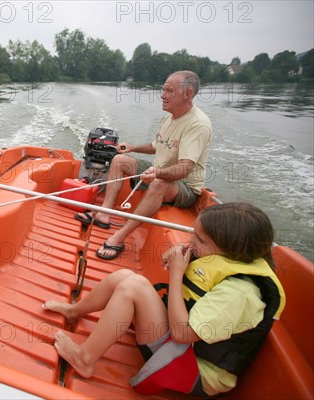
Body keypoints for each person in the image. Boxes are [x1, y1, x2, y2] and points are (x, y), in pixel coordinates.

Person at [43, 202, 286, 396]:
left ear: (233, 251)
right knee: (125, 275)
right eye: (194, 235)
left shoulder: (240, 294)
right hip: (183, 344)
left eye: (200, 241)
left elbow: (182, 334)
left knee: (132, 286)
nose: (191, 243)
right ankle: (75, 311)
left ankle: (85, 359)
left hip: (193, 368)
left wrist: (178, 272)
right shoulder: (228, 261)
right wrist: (186, 258)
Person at [75, 70, 212, 260]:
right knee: (119, 160)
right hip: (160, 171)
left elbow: (185, 168)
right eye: (163, 90)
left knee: (158, 183)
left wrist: (158, 173)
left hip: (186, 187)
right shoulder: (170, 118)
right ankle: (103, 214)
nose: (162, 96)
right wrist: (132, 148)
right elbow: (157, 146)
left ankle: (119, 237)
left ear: (188, 93)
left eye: (169, 91)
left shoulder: (198, 124)